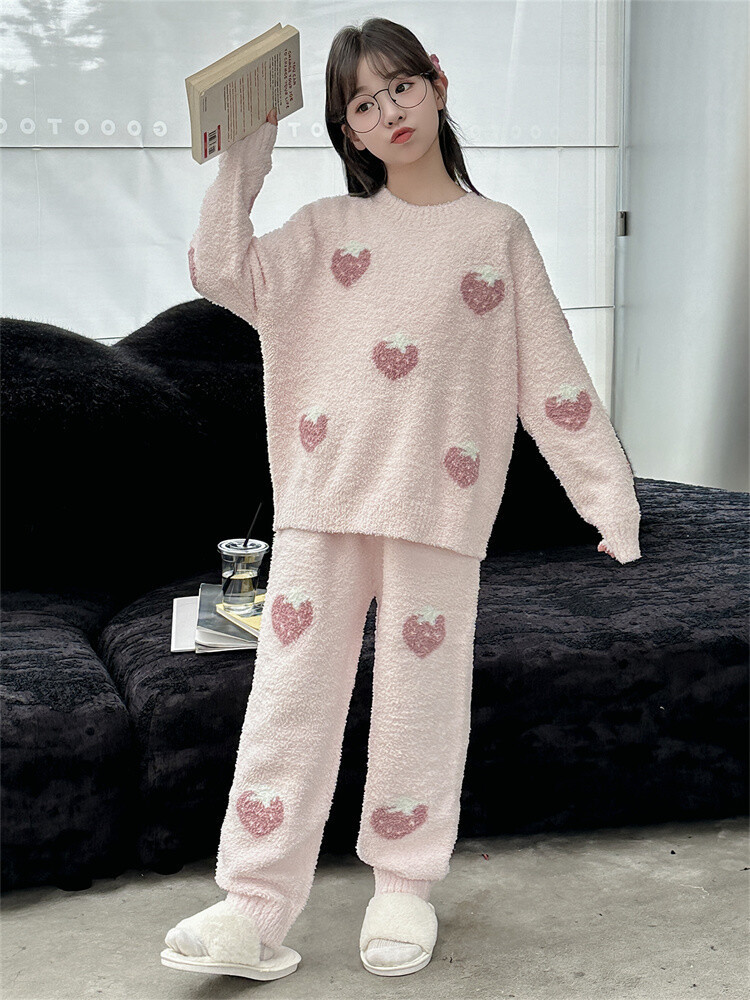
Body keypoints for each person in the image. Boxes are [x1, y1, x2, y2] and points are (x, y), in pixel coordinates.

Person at [161, 15, 641, 983]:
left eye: (400, 86)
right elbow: (219, 268)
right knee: (289, 700)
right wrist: (247, 151)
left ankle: (404, 886)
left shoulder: (495, 235)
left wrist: (610, 503)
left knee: (423, 705)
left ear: (437, 83)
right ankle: (254, 904)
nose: (389, 111)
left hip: (438, 508)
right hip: (324, 500)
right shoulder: (323, 233)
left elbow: (552, 380)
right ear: (347, 131)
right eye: (363, 104)